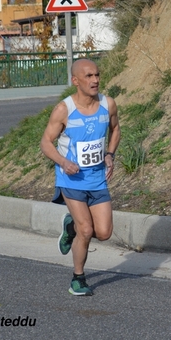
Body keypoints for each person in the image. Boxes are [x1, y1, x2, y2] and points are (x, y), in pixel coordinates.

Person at [40, 59, 121, 296]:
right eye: (88, 76)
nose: (95, 80)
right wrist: (63, 162)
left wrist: (110, 154)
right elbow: (46, 142)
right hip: (71, 179)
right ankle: (78, 278)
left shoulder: (108, 104)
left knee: (104, 233)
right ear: (75, 81)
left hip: (97, 178)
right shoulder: (64, 109)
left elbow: (115, 129)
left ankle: (70, 226)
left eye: (97, 75)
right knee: (87, 230)